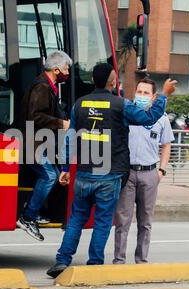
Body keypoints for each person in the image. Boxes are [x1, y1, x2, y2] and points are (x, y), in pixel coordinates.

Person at [46, 64, 177, 278]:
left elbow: (69, 138)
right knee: (103, 221)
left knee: (76, 219)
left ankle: (62, 261)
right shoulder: (121, 105)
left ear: (93, 81)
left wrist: (64, 167)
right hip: (110, 175)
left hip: (84, 173)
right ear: (113, 82)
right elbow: (148, 118)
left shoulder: (80, 104)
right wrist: (163, 95)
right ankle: (95, 264)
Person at [113, 78, 175, 265]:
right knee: (122, 220)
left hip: (150, 174)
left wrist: (161, 171)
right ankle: (119, 260)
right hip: (128, 172)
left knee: (145, 221)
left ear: (154, 97)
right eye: (139, 92)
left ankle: (141, 260)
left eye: (146, 93)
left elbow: (166, 145)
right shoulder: (127, 114)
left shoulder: (161, 119)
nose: (141, 96)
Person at [17, 51, 71, 241]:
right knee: (49, 176)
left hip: (38, 142)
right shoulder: (42, 87)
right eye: (66, 69)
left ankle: (32, 211)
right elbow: (35, 116)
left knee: (51, 175)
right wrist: (61, 123)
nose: (67, 72)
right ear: (55, 69)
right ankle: (28, 217)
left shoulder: (48, 86)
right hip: (32, 143)